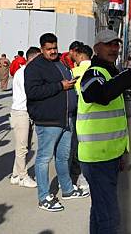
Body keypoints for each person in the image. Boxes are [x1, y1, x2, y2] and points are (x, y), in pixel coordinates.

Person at [77, 29, 131, 233]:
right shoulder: (92, 74)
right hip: (95, 159)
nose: (113, 49)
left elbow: (115, 119)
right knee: (110, 217)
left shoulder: (110, 73)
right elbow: (101, 94)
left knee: (100, 211)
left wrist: (121, 153)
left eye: (116, 44)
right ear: (96, 48)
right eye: (108, 44)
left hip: (109, 156)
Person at [25, 33, 89, 212]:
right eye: (49, 49)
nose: (53, 51)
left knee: (64, 157)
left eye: (55, 47)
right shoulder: (34, 67)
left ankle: (67, 189)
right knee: (44, 158)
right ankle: (44, 196)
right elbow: (33, 92)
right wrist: (60, 86)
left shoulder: (60, 62)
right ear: (42, 48)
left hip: (66, 119)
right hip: (48, 121)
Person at [9, 46, 40, 188]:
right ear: (32, 58)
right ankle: (23, 176)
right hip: (21, 112)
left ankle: (16, 174)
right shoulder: (25, 73)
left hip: (24, 112)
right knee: (22, 147)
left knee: (24, 146)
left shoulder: (23, 72)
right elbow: (31, 94)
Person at [69, 44, 93, 188]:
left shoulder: (74, 72)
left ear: (81, 55)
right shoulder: (97, 70)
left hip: (79, 117)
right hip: (95, 119)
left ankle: (81, 179)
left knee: (78, 148)